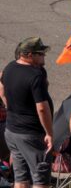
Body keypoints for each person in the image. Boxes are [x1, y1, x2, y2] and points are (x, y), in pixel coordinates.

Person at [0, 38, 53, 188]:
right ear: (29, 55)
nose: (44, 56)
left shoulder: (10, 67)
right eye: (40, 53)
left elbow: (1, 89)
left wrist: (11, 108)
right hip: (32, 134)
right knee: (40, 181)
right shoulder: (36, 76)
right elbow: (42, 108)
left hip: (12, 131)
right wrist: (49, 133)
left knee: (21, 179)